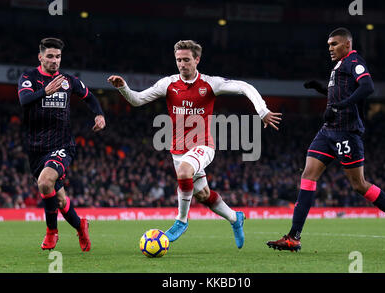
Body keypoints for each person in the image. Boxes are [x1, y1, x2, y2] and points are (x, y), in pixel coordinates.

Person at [108, 40, 282, 249]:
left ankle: (181, 220)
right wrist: (123, 88)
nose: (182, 64)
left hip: (203, 145)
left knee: (184, 172)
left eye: (186, 60)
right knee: (203, 195)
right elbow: (137, 100)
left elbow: (245, 87)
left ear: (197, 60)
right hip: (178, 149)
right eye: (178, 60)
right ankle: (236, 218)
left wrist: (262, 111)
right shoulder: (168, 84)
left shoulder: (210, 83)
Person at [267, 27, 385, 252]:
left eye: (334, 44)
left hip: (347, 132)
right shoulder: (338, 66)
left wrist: (338, 106)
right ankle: (293, 237)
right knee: (308, 175)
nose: (330, 48)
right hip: (328, 131)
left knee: (359, 185)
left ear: (347, 44)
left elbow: (367, 87)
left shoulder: (354, 61)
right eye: (328, 45)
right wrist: (323, 91)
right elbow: (341, 95)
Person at [17, 38, 106, 251]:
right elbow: (24, 101)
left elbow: (90, 97)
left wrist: (99, 115)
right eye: (50, 56)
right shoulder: (29, 77)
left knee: (45, 182)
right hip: (36, 148)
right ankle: (81, 226)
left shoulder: (68, 80)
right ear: (40, 57)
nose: (54, 60)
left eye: (57, 56)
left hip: (62, 144)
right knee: (58, 198)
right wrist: (45, 92)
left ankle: (51, 233)